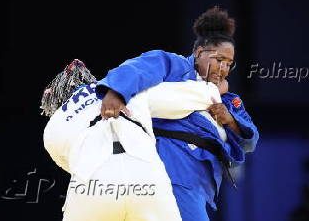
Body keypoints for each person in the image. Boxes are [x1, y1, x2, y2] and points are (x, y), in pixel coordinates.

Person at [95, 6, 259, 220]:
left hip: (203, 180)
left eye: (229, 64)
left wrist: (230, 121)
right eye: (219, 60)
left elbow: (250, 141)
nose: (224, 69)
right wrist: (116, 92)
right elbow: (139, 68)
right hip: (173, 164)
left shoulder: (229, 100)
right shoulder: (174, 66)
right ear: (199, 53)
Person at [41, 59, 226, 221]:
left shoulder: (53, 127)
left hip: (94, 185)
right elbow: (186, 96)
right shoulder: (122, 87)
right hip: (147, 176)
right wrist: (212, 90)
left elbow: (74, 165)